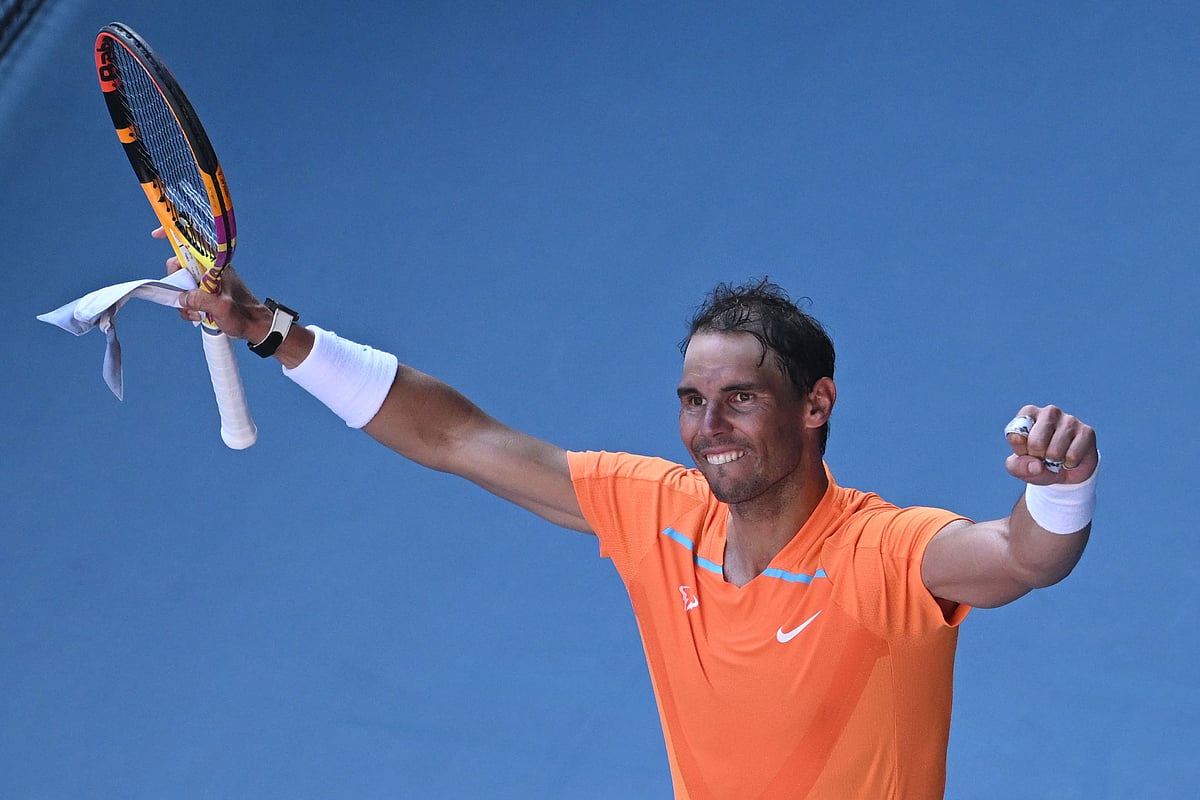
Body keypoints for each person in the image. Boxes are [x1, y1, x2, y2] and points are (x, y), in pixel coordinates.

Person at [169, 250, 1098, 799]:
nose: (709, 426)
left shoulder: (879, 554)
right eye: (693, 400)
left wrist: (1061, 488)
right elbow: (455, 435)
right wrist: (275, 331)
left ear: (816, 404)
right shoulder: (660, 510)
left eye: (741, 398)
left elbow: (1022, 557)